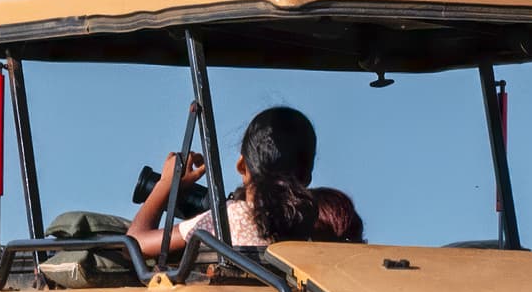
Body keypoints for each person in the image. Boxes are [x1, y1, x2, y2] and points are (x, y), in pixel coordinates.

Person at [130, 105, 362, 266]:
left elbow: (135, 245)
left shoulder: (230, 219)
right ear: (308, 177)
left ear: (242, 165)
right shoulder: (307, 228)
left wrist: (165, 185)